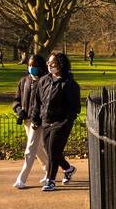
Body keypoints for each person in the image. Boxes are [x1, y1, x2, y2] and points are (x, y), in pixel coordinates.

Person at [35, 52, 82, 192]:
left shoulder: (69, 84)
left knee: (53, 149)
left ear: (61, 65)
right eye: (48, 63)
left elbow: (75, 108)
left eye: (53, 63)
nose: (49, 66)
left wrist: (65, 122)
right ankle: (68, 168)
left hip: (60, 123)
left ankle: (50, 180)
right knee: (50, 151)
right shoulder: (43, 81)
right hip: (46, 121)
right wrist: (36, 118)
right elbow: (38, 102)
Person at [11, 54, 49, 188]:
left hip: (37, 120)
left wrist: (37, 118)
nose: (31, 68)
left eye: (34, 66)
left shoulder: (45, 81)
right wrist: (19, 110)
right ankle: (51, 171)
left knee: (30, 149)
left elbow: (44, 103)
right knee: (38, 149)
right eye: (30, 65)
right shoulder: (24, 81)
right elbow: (16, 100)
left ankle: (22, 179)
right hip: (26, 120)